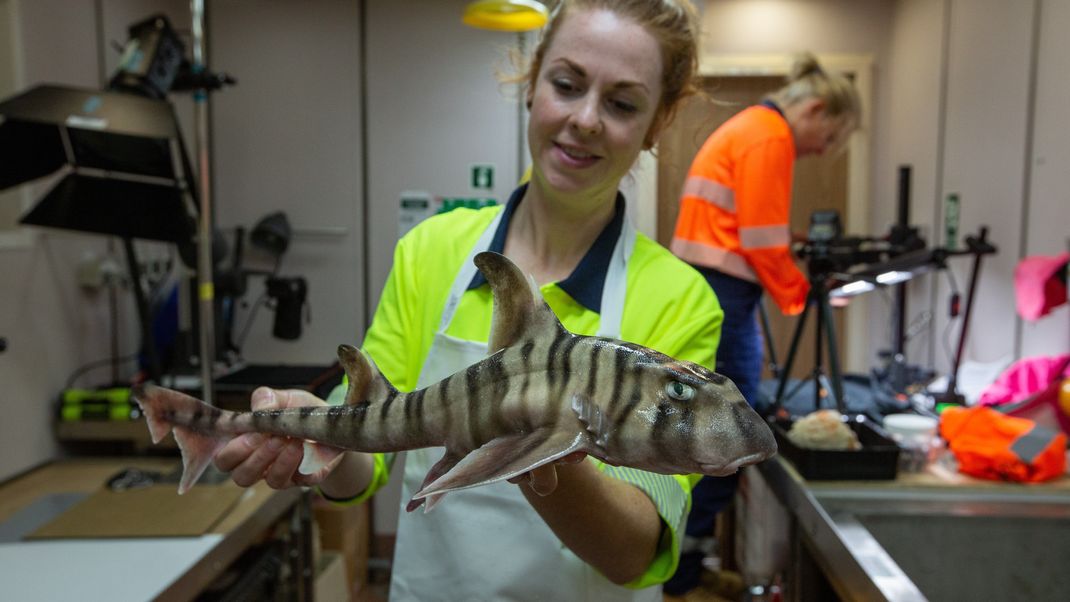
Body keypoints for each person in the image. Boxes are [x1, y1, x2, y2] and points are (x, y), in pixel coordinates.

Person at [214, 1, 725, 600]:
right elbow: (366, 462)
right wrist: (319, 440)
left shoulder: (680, 300)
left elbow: (634, 554)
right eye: (566, 84)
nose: (585, 119)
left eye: (621, 103)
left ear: (657, 124)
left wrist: (539, 443)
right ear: (533, 83)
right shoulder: (432, 251)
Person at [665, 53, 860, 595]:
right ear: (816, 109)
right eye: (830, 136)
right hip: (724, 290)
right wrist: (806, 296)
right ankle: (680, 575)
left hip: (711, 285)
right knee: (728, 430)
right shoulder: (769, 135)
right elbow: (761, 242)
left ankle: (687, 565)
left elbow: (751, 227)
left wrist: (789, 250)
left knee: (710, 424)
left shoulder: (750, 127)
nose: (822, 149)